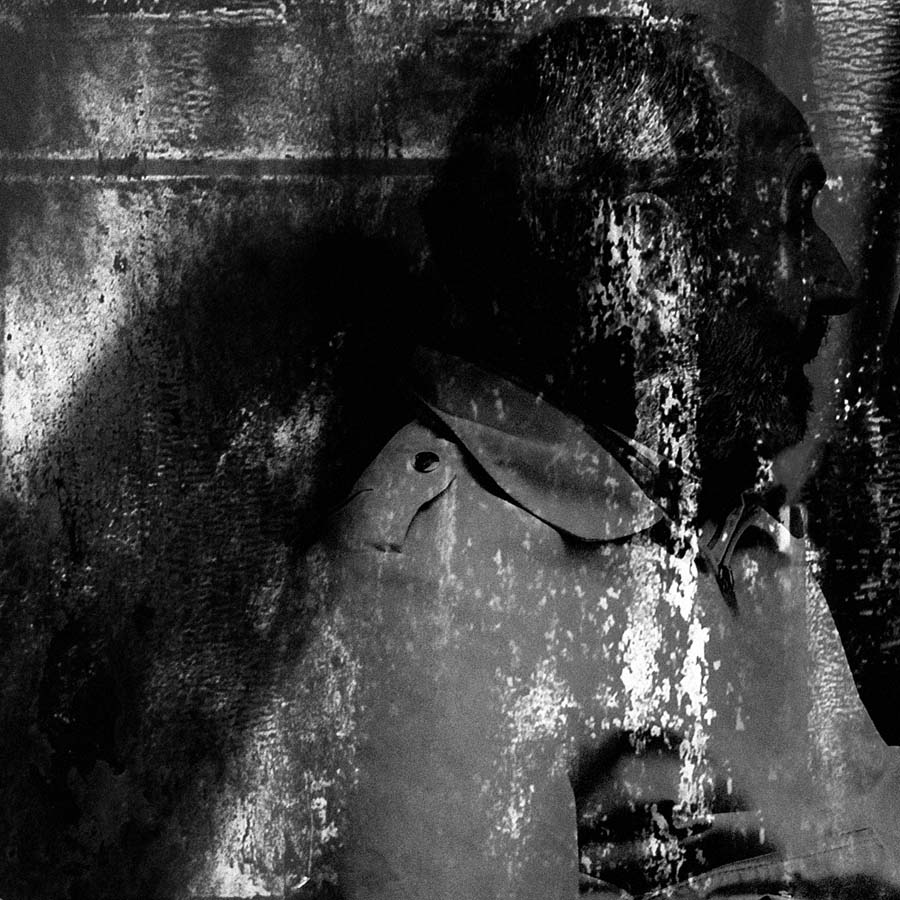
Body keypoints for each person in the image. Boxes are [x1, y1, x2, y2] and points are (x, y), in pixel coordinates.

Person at [196, 16, 900, 900]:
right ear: (647, 257)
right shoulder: (435, 592)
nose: (835, 282)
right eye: (794, 213)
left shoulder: (718, 511)